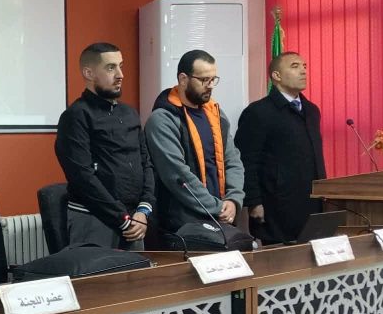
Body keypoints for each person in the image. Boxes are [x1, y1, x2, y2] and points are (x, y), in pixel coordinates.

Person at [55, 42, 154, 250]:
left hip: (135, 220)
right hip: (94, 219)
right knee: (96, 272)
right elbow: (82, 177)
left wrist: (144, 210)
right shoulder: (76, 116)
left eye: (121, 66)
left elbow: (146, 163)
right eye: (110, 68)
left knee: (136, 272)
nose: (120, 75)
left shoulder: (129, 113)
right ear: (89, 73)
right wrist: (122, 218)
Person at [145, 49, 245, 232]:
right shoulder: (163, 119)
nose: (210, 86)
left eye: (213, 79)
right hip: (182, 224)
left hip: (221, 217)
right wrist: (217, 207)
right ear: (183, 79)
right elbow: (177, 175)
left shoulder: (216, 114)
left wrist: (233, 199)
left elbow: (233, 160)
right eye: (204, 80)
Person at [234, 52, 326, 244]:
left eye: (304, 66)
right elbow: (246, 161)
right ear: (276, 75)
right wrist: (254, 201)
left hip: (312, 201)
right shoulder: (259, 112)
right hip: (276, 204)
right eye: (295, 66)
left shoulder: (311, 111)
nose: (303, 71)